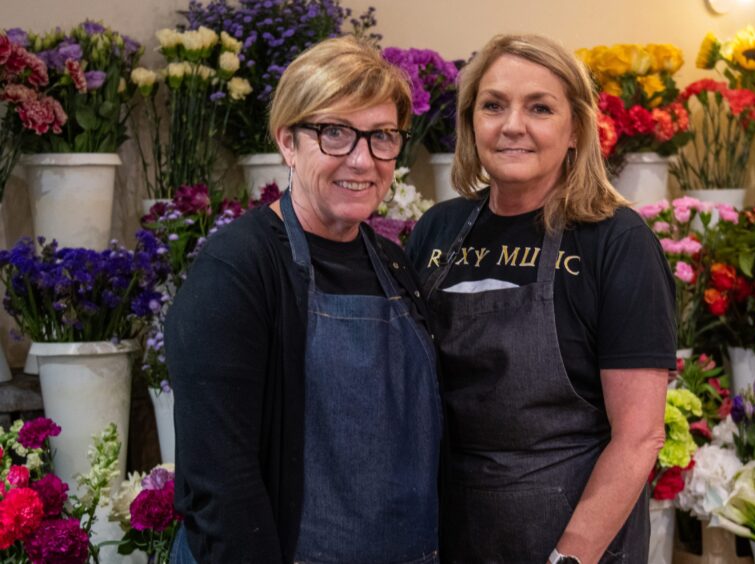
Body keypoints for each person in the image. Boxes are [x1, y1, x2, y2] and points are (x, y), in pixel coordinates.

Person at [166, 36, 441, 564]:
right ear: (287, 142)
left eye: (382, 136)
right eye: (335, 133)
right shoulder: (237, 270)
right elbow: (220, 480)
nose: (362, 160)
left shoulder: (395, 263)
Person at [406, 33, 675, 564]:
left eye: (540, 108)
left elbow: (639, 437)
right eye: (493, 105)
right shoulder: (437, 230)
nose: (512, 126)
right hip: (454, 529)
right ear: (470, 122)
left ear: (575, 129)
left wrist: (568, 557)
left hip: (571, 535)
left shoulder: (615, 241)